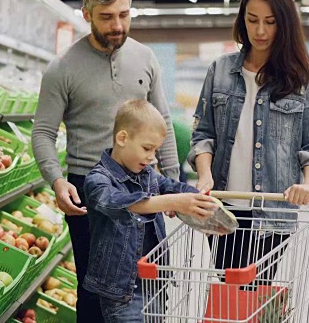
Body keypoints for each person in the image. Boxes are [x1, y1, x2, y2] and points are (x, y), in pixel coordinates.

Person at [31, 0, 180, 321]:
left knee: (147, 281)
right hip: (90, 191)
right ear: (86, 14)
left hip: (143, 183)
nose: (117, 25)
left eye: (124, 15)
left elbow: (164, 121)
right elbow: (42, 132)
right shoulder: (62, 69)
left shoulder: (146, 59)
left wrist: (172, 176)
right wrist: (56, 180)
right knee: (95, 290)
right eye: (107, 16)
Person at [188, 0, 309, 286]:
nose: (261, 31)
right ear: (243, 20)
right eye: (252, 20)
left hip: (274, 211)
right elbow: (202, 135)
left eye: (270, 21)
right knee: (231, 292)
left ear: (285, 24)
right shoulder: (221, 71)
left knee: (255, 295)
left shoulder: (304, 81)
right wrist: (204, 175)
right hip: (224, 206)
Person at [83, 99, 217, 322]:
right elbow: (119, 203)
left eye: (155, 150)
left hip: (154, 282)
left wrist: (200, 199)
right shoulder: (98, 180)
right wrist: (171, 202)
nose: (152, 157)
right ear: (122, 138)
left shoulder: (147, 175)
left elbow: (172, 187)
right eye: (147, 148)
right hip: (121, 290)